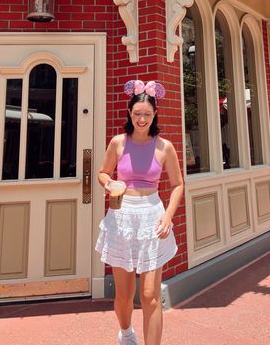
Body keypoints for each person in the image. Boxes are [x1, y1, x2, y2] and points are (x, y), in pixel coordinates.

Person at [96, 79, 184, 345]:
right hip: (122, 216)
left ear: (154, 114)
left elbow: (178, 185)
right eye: (137, 114)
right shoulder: (118, 143)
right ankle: (126, 333)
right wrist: (109, 183)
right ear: (130, 114)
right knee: (124, 294)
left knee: (150, 295)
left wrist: (168, 216)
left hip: (152, 216)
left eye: (147, 114)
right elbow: (102, 172)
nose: (142, 119)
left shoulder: (164, 147)